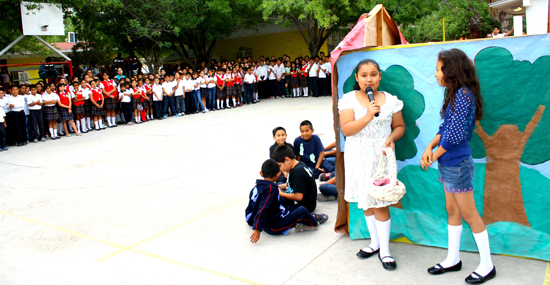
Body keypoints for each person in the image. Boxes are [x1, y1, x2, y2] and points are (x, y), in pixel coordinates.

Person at [421, 49, 495, 284]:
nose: (435, 74)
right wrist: (429, 148)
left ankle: (487, 265)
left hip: (458, 165)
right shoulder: (455, 94)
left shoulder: (463, 95)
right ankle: (453, 259)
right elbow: (445, 129)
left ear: (450, 70)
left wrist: (434, 155)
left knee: (470, 215)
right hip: (448, 163)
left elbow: (454, 138)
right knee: (452, 211)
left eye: (437, 68)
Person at [338, 59, 405, 271]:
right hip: (358, 156)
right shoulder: (348, 100)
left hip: (381, 158)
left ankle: (385, 251)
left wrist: (392, 138)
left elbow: (400, 126)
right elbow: (347, 130)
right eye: (364, 75)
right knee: (367, 202)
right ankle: (374, 243)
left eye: (373, 74)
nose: (369, 79)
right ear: (356, 78)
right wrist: (368, 115)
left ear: (380, 77)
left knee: (381, 203)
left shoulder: (391, 100)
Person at [246, 159, 328, 243]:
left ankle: (307, 216)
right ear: (278, 175)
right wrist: (257, 228)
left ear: (261, 173)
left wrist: (251, 221)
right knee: (301, 210)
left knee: (288, 205)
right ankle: (313, 222)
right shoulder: (271, 190)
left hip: (268, 219)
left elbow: (251, 206)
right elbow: (263, 208)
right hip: (274, 226)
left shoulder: (256, 187)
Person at [272, 145, 318, 213]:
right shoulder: (298, 165)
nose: (280, 169)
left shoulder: (298, 173)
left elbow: (298, 197)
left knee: (275, 199)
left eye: (280, 166)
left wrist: (281, 194)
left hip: (304, 206)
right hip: (300, 198)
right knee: (277, 185)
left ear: (287, 160)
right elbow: (291, 184)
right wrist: (277, 186)